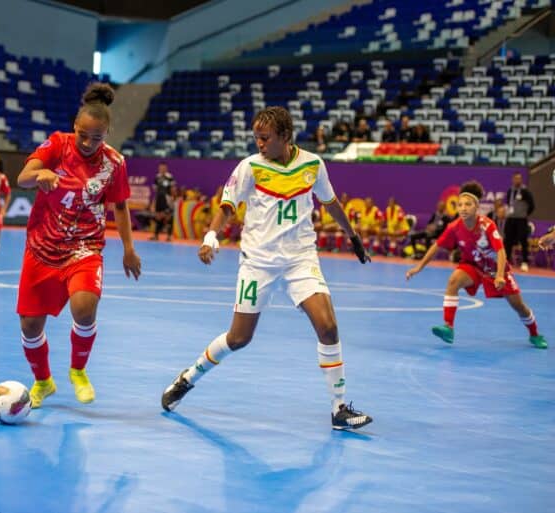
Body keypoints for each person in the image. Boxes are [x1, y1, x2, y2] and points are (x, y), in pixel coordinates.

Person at [161, 106, 373, 430]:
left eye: (265, 138)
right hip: (257, 262)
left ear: (285, 137)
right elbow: (227, 206)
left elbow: (330, 203)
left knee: (328, 326)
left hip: (300, 258)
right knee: (238, 337)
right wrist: (210, 236)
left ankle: (339, 408)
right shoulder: (250, 167)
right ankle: (188, 377)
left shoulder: (313, 165)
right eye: (256, 138)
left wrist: (353, 236)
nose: (258, 144)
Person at [15, 82, 142, 408]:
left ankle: (78, 370)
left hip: (84, 248)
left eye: (96, 137)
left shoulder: (114, 163)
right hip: (42, 248)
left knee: (84, 308)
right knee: (30, 324)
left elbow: (121, 206)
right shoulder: (57, 144)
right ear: (75, 128)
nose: (88, 143)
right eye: (83, 135)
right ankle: (43, 381)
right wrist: (40, 174)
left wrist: (128, 248)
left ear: (107, 133)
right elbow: (23, 178)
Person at [405, 181, 546, 349]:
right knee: (453, 281)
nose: (463, 208)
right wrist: (418, 267)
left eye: (468, 204)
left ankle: (535, 333)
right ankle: (448, 327)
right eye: (460, 205)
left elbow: (501, 252)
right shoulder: (454, 227)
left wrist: (500, 274)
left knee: (519, 306)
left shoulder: (487, 225)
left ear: (476, 207)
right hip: (473, 266)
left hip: (495, 269)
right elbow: (437, 246)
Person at [504, 171, 535, 272]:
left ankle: (524, 262)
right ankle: (506, 261)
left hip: (521, 219)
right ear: (513, 179)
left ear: (521, 180)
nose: (517, 180)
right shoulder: (510, 191)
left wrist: (524, 214)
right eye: (515, 178)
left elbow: (532, 205)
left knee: (523, 240)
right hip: (511, 218)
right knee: (507, 240)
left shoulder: (525, 191)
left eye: (519, 178)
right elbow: (509, 203)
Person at [151, 162, 175, 241]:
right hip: (159, 198)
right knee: (158, 216)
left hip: (167, 198)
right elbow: (155, 189)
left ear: (166, 168)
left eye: (163, 168)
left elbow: (172, 189)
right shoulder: (157, 177)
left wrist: (172, 198)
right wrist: (155, 201)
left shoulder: (169, 177)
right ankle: (156, 235)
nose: (162, 169)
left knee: (168, 217)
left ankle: (169, 236)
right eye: (160, 168)